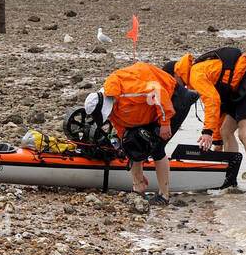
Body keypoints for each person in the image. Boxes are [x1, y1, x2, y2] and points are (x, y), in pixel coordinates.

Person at [83, 61, 198, 205]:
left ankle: (164, 194)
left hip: (173, 98)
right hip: (152, 106)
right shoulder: (113, 108)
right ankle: (138, 188)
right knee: (132, 143)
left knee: (157, 148)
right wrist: (127, 149)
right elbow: (122, 130)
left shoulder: (128, 92)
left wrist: (164, 122)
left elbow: (158, 91)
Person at [164, 47, 246, 192]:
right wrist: (217, 140)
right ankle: (230, 178)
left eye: (170, 82)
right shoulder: (194, 75)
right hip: (238, 91)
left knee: (244, 134)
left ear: (175, 75)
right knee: (226, 131)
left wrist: (207, 132)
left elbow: (213, 101)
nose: (172, 87)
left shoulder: (195, 75)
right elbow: (219, 106)